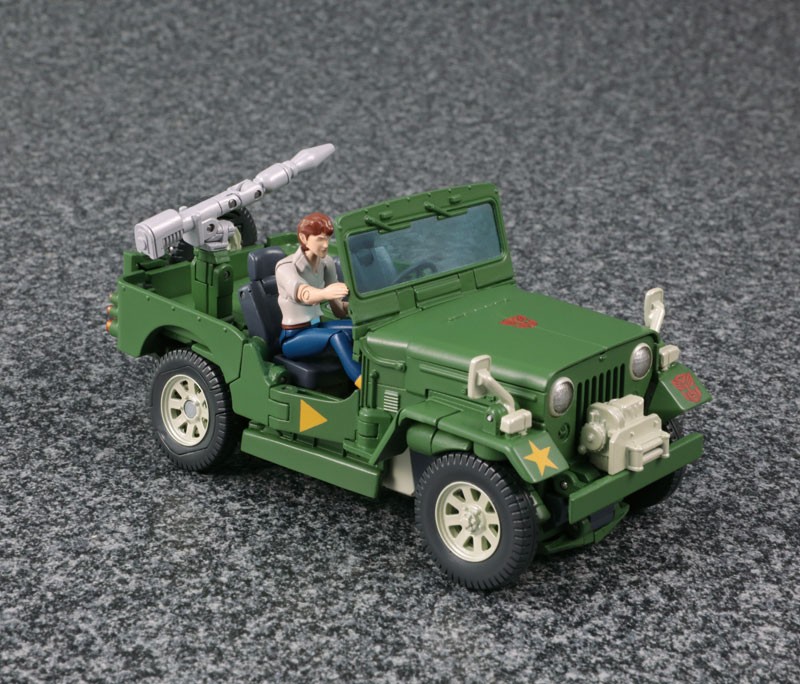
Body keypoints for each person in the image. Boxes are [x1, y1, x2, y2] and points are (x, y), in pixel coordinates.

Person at [274, 212, 362, 389]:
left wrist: (358, 307)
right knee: (336, 337)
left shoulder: (326, 263)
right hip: (294, 337)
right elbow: (304, 294)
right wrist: (326, 292)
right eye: (320, 239)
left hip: (316, 326)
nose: (326, 245)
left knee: (357, 328)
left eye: (328, 238)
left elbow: (338, 309)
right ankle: (361, 381)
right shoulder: (285, 268)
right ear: (303, 238)